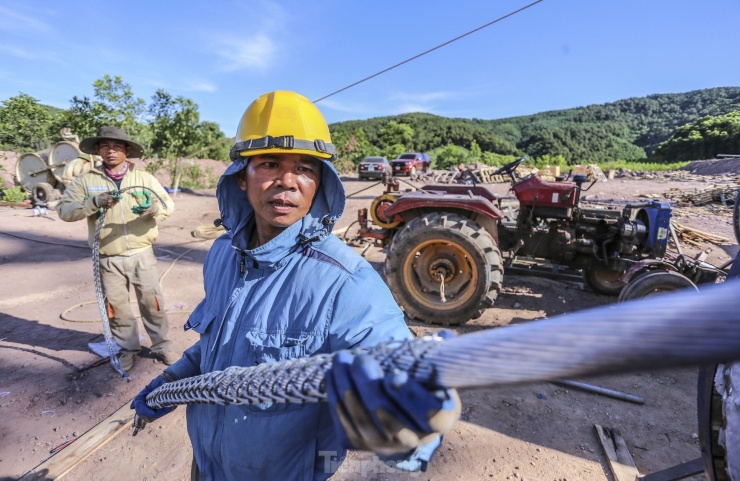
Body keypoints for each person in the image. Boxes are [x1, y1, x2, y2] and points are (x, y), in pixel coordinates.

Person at [132, 90, 460, 480]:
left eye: (305, 168)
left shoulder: (345, 282)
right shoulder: (223, 255)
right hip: (208, 467)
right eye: (269, 164)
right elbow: (220, 342)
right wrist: (172, 379)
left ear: (321, 182)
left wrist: (407, 418)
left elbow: (392, 364)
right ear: (241, 177)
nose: (286, 182)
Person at [57, 126, 177, 372]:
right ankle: (128, 349)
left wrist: (152, 208)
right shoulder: (87, 180)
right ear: (98, 151)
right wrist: (93, 202)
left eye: (117, 147)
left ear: (127, 151)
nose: (111, 151)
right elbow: (64, 211)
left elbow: (168, 205)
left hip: (141, 253)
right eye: (105, 146)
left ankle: (162, 346)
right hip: (107, 257)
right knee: (117, 308)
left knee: (152, 303)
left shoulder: (144, 179)